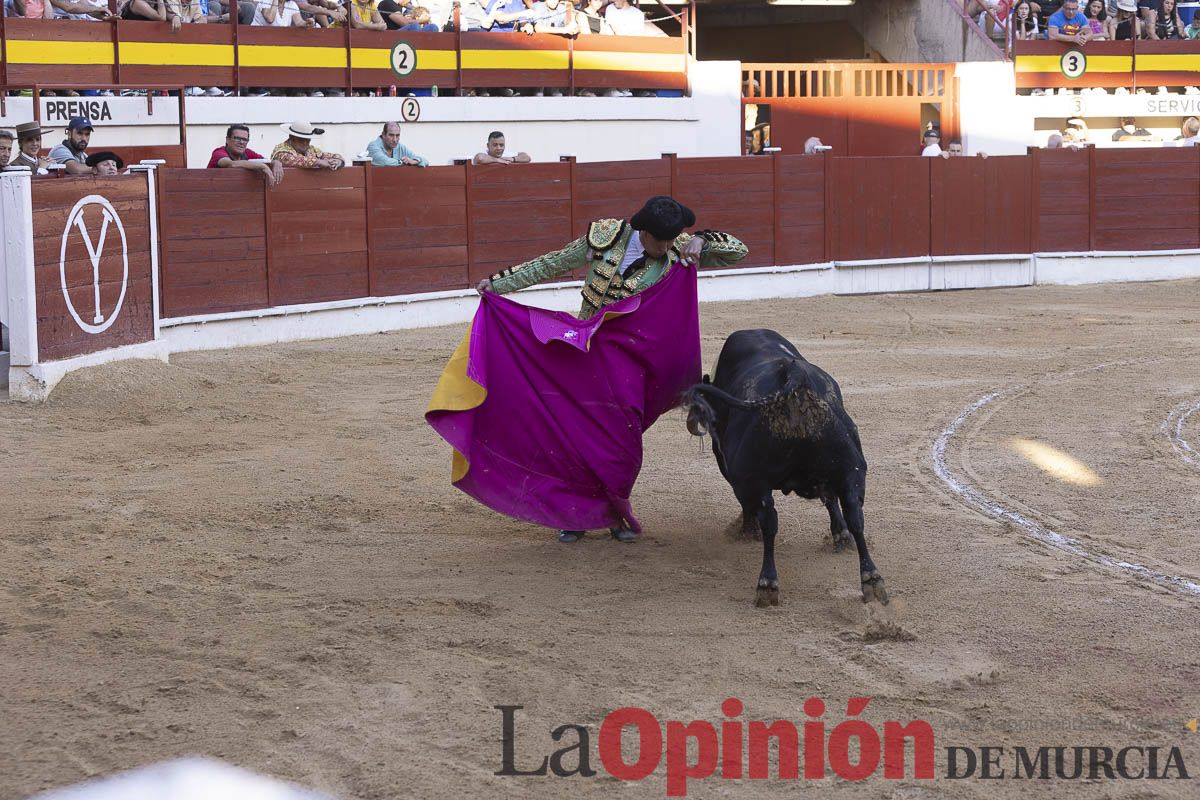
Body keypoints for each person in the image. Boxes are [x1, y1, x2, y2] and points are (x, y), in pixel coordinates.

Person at [474, 196, 749, 543]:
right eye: (661, 240)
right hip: (585, 352)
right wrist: (498, 284)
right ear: (644, 231)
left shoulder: (678, 245)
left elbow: (738, 251)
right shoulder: (604, 237)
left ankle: (616, 509)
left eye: (673, 239)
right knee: (574, 435)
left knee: (622, 440)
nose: (667, 246)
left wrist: (702, 239)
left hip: (631, 363)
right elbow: (552, 264)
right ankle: (574, 514)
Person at [208, 124, 285, 185]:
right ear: (227, 140)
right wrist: (262, 166)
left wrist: (276, 162)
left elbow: (266, 160)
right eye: (237, 138)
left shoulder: (247, 152)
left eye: (245, 139)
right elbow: (232, 164)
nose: (241, 142)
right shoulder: (219, 152)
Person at [271, 122, 345, 170]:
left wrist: (338, 161)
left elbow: (334, 156)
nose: (305, 143)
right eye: (301, 140)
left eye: (308, 140)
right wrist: (318, 162)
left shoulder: (312, 150)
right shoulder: (281, 149)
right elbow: (291, 159)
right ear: (292, 137)